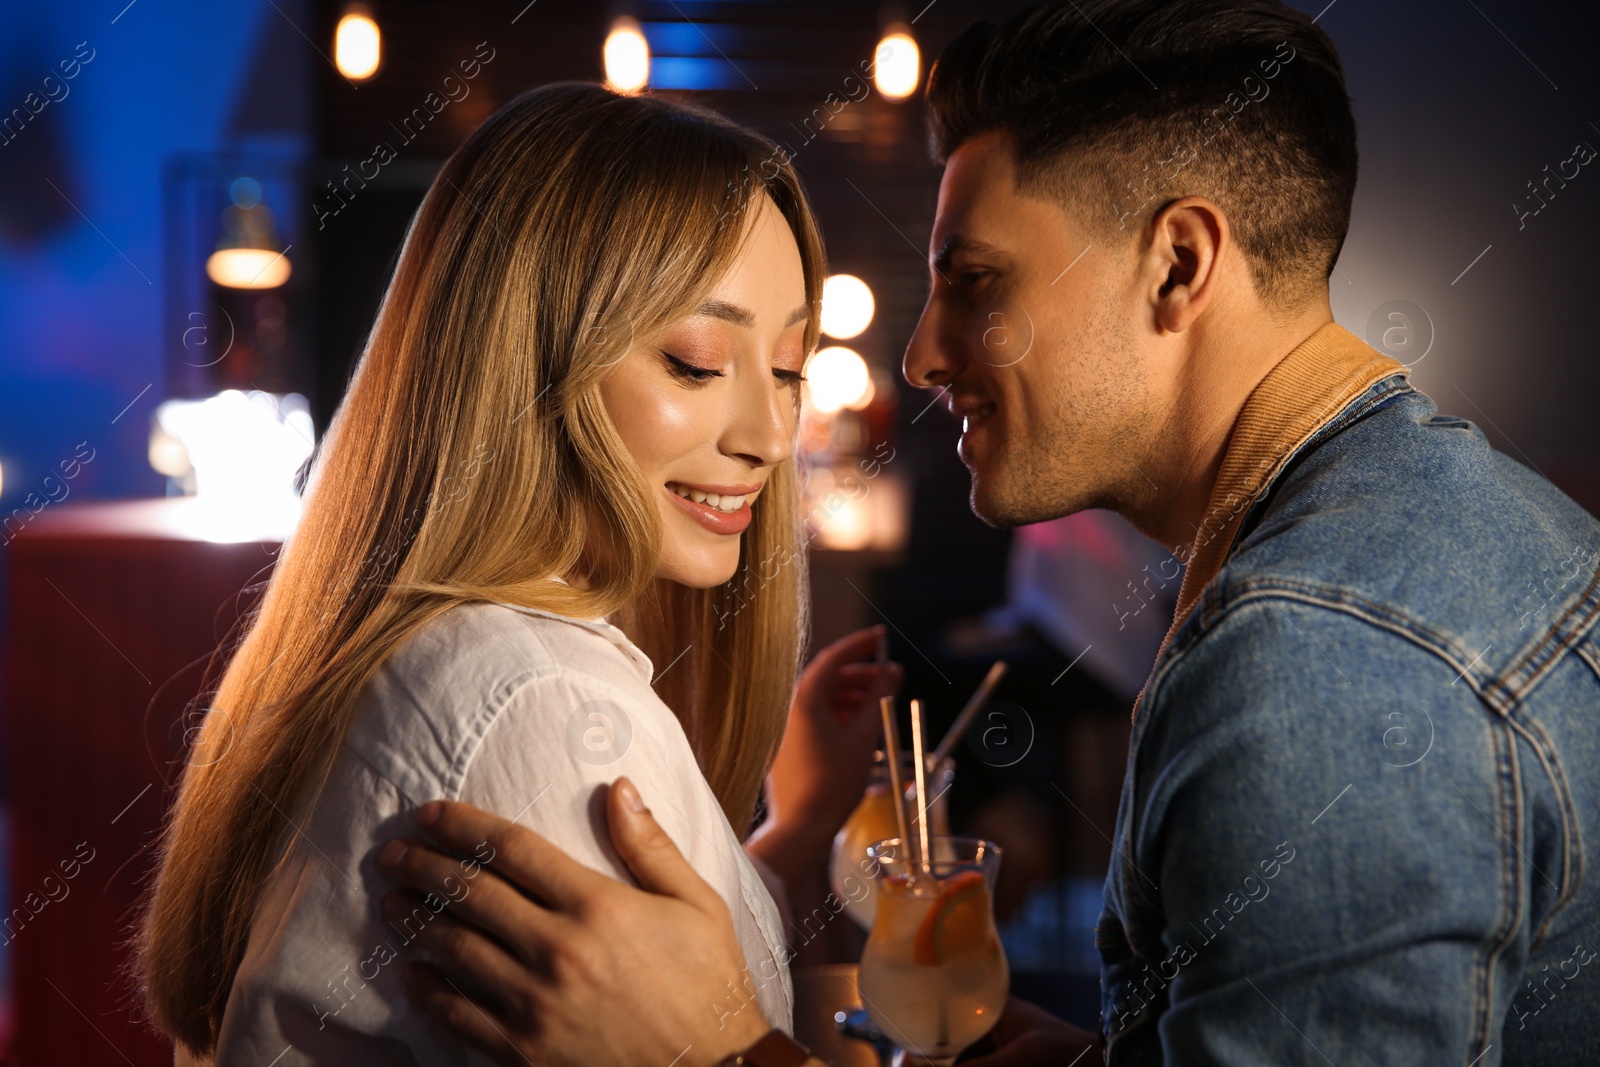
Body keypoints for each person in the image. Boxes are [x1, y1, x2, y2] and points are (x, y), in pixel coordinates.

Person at [373, 1, 1600, 1064]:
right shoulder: (1449, 523)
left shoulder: (1321, 666)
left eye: (976, 282)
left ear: (1178, 264)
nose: (919, 355)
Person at [135, 83, 902, 1065]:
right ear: (529, 360)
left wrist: (795, 832)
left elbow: (635, 989)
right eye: (697, 359)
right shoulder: (541, 702)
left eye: (789, 367)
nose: (766, 435)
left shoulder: (458, 657)